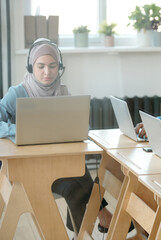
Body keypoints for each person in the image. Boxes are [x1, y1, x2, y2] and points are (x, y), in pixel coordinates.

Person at [0, 38, 110, 236]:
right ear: (30, 66)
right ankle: (101, 216)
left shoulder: (62, 92)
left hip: (54, 165)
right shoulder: (17, 93)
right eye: (40, 66)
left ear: (60, 67)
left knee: (77, 175)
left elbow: (81, 126)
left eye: (52, 66)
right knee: (78, 180)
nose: (47, 72)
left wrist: (78, 128)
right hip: (26, 169)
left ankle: (83, 233)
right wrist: (18, 130)